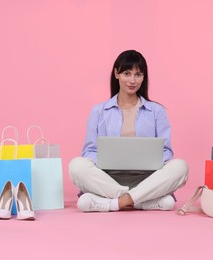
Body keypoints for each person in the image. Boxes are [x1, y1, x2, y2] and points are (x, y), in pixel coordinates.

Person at [69, 50, 188, 212]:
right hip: (108, 179)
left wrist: (153, 160)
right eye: (127, 73)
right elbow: (89, 151)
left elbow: (166, 152)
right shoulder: (99, 111)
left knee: (180, 167)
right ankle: (139, 200)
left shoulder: (156, 111)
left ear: (144, 77)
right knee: (76, 166)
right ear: (116, 73)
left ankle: (115, 202)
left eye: (138, 74)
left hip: (146, 179)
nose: (132, 80)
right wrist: (106, 160)